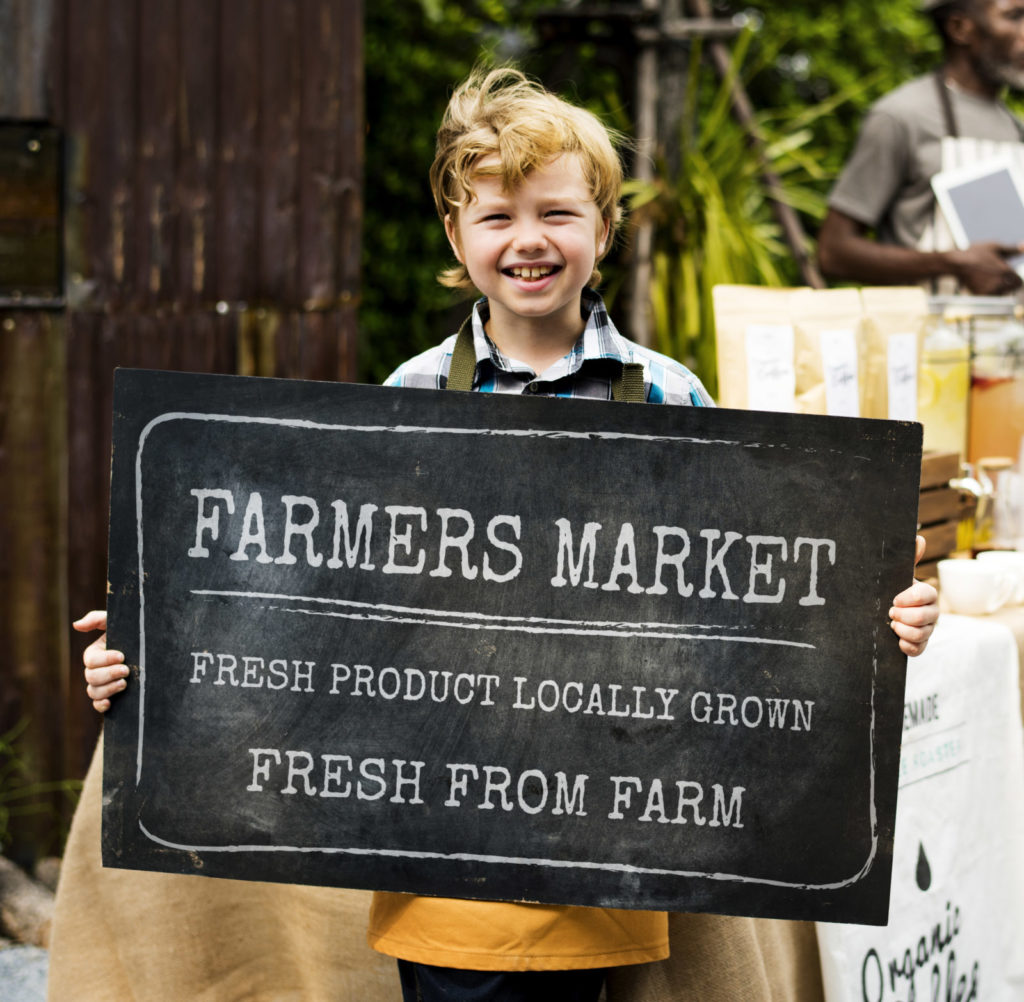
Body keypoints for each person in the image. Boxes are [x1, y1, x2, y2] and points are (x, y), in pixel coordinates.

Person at [77, 67, 940, 1002]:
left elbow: (749, 607)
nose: (529, 241)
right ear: (457, 236)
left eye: (559, 214)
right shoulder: (404, 400)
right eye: (497, 217)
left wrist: (877, 622)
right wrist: (154, 655)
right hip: (445, 859)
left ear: (604, 230)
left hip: (612, 848)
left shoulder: (669, 397)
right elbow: (310, 611)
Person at [817, 0, 1024, 295]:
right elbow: (833, 254)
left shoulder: (1015, 127)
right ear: (959, 28)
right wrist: (952, 263)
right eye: (1014, 16)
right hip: (926, 334)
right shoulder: (901, 117)